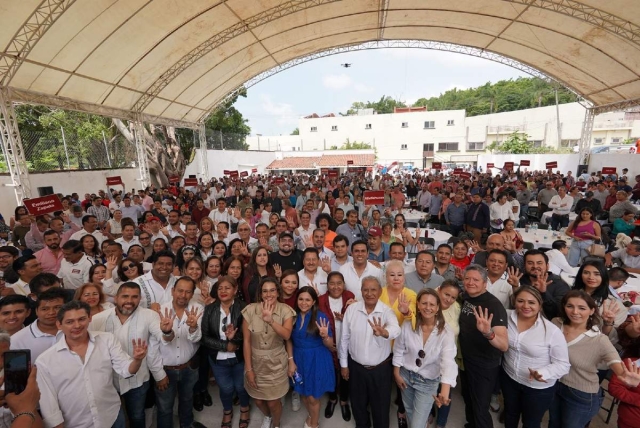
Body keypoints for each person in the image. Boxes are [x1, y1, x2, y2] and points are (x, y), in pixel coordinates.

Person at [36, 300, 148, 428]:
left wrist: (137, 360)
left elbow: (126, 370)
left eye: (82, 319)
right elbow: (48, 403)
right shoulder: (45, 360)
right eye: (70, 322)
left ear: (90, 318)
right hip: (75, 423)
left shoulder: (107, 339)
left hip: (111, 416)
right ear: (59, 324)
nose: (77, 325)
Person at [549, 290, 640, 428]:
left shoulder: (599, 339)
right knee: (553, 423)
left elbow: (614, 360)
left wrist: (624, 375)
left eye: (582, 308)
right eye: (570, 306)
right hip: (554, 384)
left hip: (581, 394)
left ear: (592, 311)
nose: (575, 312)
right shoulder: (556, 323)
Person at [88, 282, 169, 427]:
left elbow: (163, 338)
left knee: (137, 416)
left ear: (140, 298)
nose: (129, 301)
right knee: (111, 419)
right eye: (125, 296)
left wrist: (168, 331)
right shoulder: (98, 319)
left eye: (134, 297)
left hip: (137, 380)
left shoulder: (149, 315)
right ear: (116, 297)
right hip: (107, 381)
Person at [500, 286, 570, 428]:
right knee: (510, 414)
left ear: (540, 305)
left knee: (531, 422)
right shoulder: (505, 316)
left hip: (537, 388)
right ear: (514, 301)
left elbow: (563, 365)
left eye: (531, 302)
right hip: (509, 378)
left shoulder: (552, 331)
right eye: (521, 301)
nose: (525, 306)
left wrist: (542, 373)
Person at [339, 276, 400, 428]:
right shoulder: (352, 310)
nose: (369, 293)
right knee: (358, 405)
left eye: (373, 289)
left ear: (380, 292)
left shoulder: (386, 311)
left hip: (380, 370)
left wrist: (384, 332)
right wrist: (344, 365)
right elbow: (344, 339)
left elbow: (396, 329)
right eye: (365, 289)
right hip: (356, 368)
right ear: (361, 291)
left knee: (380, 407)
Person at [393, 288, 457, 428]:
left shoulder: (446, 332)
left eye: (432, 304)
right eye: (424, 303)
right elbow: (398, 348)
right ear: (418, 305)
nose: (427, 308)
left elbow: (448, 361)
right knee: (410, 412)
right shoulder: (408, 324)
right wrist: (396, 372)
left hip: (427, 382)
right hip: (405, 377)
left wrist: (444, 390)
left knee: (417, 424)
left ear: (438, 307)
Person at [458, 264, 508, 428]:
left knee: (480, 407)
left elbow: (503, 345)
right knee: (469, 398)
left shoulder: (494, 306)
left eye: (476, 280)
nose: (471, 282)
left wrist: (488, 333)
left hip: (484, 364)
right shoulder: (466, 297)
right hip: (466, 360)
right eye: (467, 278)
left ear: (485, 283)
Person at [242, 277, 295, 428]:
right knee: (258, 400)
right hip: (256, 362)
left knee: (273, 402)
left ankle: (276, 424)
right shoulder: (250, 310)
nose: (268, 294)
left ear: (278, 292)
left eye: (272, 290)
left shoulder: (286, 310)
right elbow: (246, 341)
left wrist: (271, 320)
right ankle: (267, 417)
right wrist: (249, 369)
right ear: (260, 293)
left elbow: (286, 335)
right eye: (265, 291)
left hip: (276, 363)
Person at [155, 277, 205, 428]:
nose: (183, 295)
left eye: (188, 292)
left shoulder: (198, 309)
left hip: (188, 367)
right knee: (164, 407)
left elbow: (196, 339)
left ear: (192, 294)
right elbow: (156, 344)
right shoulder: (160, 311)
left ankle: (187, 424)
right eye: (180, 291)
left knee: (187, 400)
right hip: (165, 369)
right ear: (173, 291)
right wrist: (158, 374)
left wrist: (193, 327)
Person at [202, 275, 250, 428]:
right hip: (218, 358)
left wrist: (234, 340)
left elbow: (249, 335)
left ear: (235, 290)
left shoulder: (244, 307)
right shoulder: (210, 309)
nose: (223, 291)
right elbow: (204, 337)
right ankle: (227, 411)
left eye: (227, 288)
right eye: (220, 288)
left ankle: (245, 409)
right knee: (226, 388)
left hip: (239, 357)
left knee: (241, 387)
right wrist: (225, 345)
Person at [289, 286, 336, 428]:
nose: (304, 303)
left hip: (316, 360)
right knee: (302, 392)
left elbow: (330, 344)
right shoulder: (292, 316)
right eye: (301, 299)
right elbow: (288, 339)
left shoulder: (321, 317)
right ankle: (311, 415)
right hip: (299, 359)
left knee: (313, 397)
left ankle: (314, 424)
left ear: (314, 301)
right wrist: (291, 360)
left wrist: (325, 336)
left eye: (308, 300)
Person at [317, 271, 355, 422]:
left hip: (347, 344)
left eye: (339, 283)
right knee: (331, 372)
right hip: (328, 344)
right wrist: (326, 340)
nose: (335, 286)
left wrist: (345, 318)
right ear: (327, 285)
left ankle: (344, 400)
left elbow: (357, 318)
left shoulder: (349, 296)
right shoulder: (320, 300)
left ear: (344, 284)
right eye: (332, 283)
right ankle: (332, 399)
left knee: (346, 373)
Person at [571, 261, 627, 339]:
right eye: (586, 273)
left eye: (597, 274)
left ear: (604, 276)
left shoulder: (615, 306)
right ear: (580, 275)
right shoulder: (570, 296)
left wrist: (608, 323)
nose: (591, 277)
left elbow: (609, 338)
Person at [10, 288, 64, 361]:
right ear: (36, 311)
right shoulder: (17, 341)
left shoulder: (78, 329)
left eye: (57, 308)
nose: (51, 313)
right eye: (45, 309)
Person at [519, 250, 570, 319]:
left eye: (539, 263)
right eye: (530, 263)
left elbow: (558, 313)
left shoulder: (560, 285)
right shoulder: (519, 280)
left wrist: (544, 293)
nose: (535, 266)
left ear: (547, 266)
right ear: (524, 266)